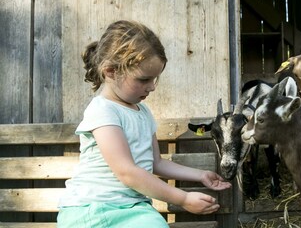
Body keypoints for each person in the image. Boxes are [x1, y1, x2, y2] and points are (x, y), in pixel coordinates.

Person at [57, 20, 231, 228]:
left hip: (134, 209)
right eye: (143, 79)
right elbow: (127, 172)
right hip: (93, 209)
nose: (151, 87)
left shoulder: (143, 112)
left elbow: (156, 163)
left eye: (155, 79)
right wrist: (183, 199)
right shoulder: (103, 111)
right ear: (110, 71)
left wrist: (200, 175)